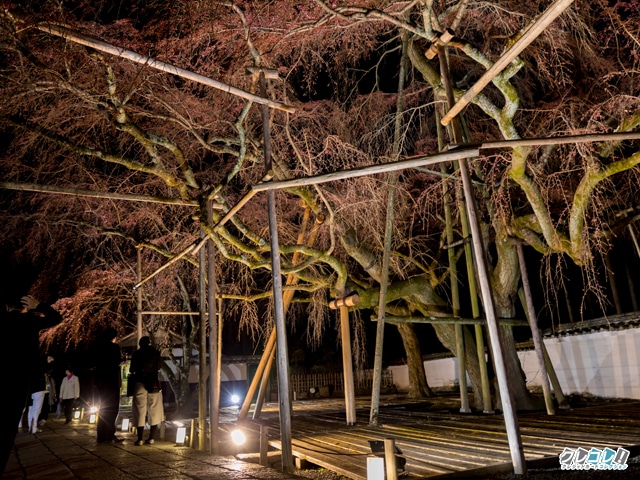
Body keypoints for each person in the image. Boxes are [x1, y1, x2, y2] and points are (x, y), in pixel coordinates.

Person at [0, 294, 62, 473]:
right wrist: (40, 305)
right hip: (20, 377)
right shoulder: (28, 323)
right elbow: (56, 318)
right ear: (26, 306)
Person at [130, 336, 163, 446]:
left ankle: (139, 439)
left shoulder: (136, 354)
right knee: (154, 409)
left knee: (140, 410)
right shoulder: (156, 353)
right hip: (153, 383)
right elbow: (159, 367)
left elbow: (132, 369)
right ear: (150, 343)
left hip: (139, 382)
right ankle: (151, 438)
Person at [94, 327, 124, 443]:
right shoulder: (114, 347)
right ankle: (109, 435)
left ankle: (101, 435)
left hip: (100, 381)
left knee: (103, 408)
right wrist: (121, 362)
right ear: (113, 337)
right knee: (112, 409)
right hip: (111, 380)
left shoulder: (98, 347)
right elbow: (116, 362)